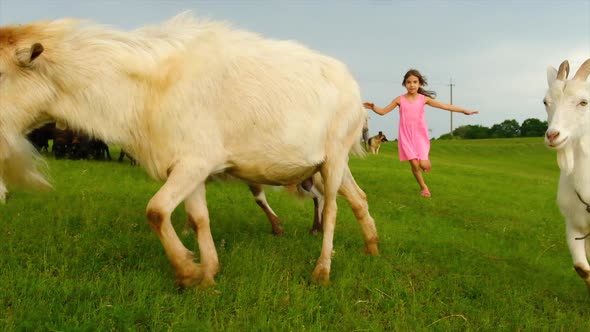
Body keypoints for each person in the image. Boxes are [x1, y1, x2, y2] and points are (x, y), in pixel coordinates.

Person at [363, 69, 478, 197]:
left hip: (420, 136)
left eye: (415, 82)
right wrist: (373, 107)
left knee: (422, 164)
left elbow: (444, 106)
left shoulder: (424, 99)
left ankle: (426, 164)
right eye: (408, 82)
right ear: (404, 84)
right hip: (406, 136)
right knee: (414, 163)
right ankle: (424, 188)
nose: (412, 85)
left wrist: (463, 111)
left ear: (419, 84)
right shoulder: (399, 100)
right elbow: (383, 112)